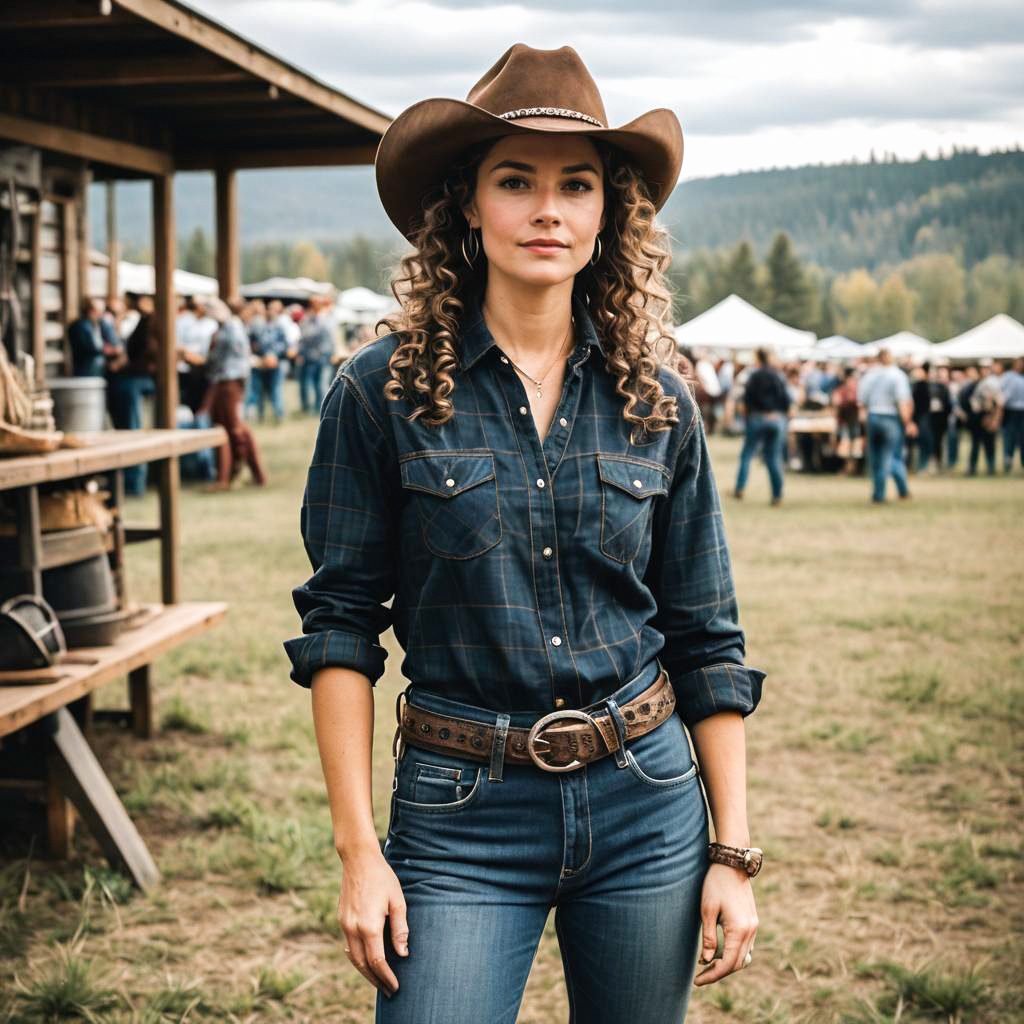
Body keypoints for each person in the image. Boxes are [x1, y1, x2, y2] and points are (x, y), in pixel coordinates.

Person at [284, 44, 765, 1024]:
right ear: (467, 204)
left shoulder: (659, 406)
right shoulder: (377, 393)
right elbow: (338, 627)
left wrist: (732, 851)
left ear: (605, 214)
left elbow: (707, 637)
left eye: (575, 185)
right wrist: (357, 850)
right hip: (460, 810)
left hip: (646, 799)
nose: (548, 209)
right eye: (516, 181)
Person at [201, 298, 266, 491]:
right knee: (232, 428)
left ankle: (232, 475)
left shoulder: (231, 329)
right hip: (227, 382)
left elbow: (233, 359)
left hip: (229, 383)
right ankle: (236, 475)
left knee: (234, 430)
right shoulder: (230, 328)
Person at [107, 295, 158, 495]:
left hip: (135, 381)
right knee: (130, 430)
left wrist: (125, 366)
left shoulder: (151, 324)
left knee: (133, 431)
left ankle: (135, 483)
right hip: (133, 379)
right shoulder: (146, 322)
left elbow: (148, 355)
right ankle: (133, 482)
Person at [857, 345, 917, 503]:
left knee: (877, 458)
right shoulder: (897, 375)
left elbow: (861, 401)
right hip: (890, 417)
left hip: (873, 416)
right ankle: (896, 492)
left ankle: (880, 493)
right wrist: (908, 422)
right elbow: (903, 401)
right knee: (890, 456)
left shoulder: (869, 375)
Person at [732, 347, 791, 505]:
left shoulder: (753, 376)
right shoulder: (778, 376)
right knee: (773, 458)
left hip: (756, 418)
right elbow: (786, 400)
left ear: (757, 358)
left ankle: (740, 488)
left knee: (747, 454)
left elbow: (746, 400)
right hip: (776, 419)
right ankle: (777, 495)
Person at [966, 358, 1003, 476]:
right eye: (982, 368)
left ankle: (991, 468)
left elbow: (999, 403)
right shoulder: (978, 383)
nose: (984, 370)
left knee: (989, 444)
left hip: (988, 415)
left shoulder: (993, 382)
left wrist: (994, 419)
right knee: (975, 444)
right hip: (978, 417)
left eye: (986, 368)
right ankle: (972, 468)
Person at [68, 297, 119, 377]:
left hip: (95, 367)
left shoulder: (95, 324)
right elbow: (89, 348)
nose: (100, 314)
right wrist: (108, 350)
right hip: (86, 368)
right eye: (98, 311)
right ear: (90, 311)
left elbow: (112, 340)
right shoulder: (81, 326)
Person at [832, 365, 861, 475]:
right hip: (846, 419)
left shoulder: (850, 388)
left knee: (851, 444)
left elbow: (841, 401)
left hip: (851, 419)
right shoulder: (843, 388)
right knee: (847, 444)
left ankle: (851, 468)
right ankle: (849, 468)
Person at [1001, 356, 1024, 473]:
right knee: (1009, 437)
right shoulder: (1008, 377)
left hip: (1021, 412)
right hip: (1011, 411)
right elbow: (1004, 396)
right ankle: (1008, 462)